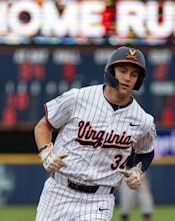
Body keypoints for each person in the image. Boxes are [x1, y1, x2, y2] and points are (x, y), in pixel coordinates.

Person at [34, 46, 156, 221]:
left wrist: (137, 170)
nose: (127, 78)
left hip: (99, 199)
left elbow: (146, 153)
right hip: (58, 190)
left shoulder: (143, 120)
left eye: (134, 74)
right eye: (122, 71)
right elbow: (43, 126)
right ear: (111, 71)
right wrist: (45, 152)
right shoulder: (79, 97)